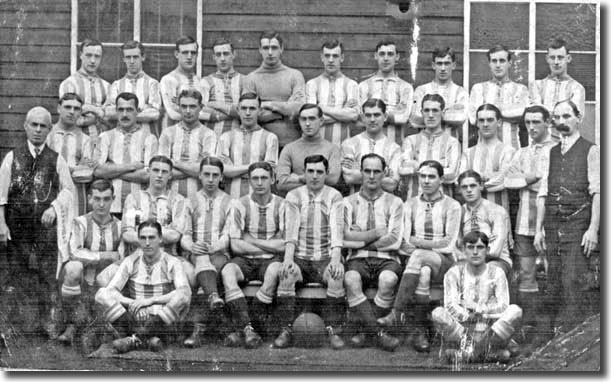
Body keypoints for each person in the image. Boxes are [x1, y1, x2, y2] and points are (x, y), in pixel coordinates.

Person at [0, 106, 75, 338]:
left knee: (46, 277)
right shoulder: (12, 157)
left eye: (43, 126)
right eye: (34, 124)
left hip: (45, 231)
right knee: (14, 276)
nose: (38, 130)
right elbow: (1, 195)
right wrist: (1, 224)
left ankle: (48, 325)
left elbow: (69, 190)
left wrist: (54, 207)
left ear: (50, 129)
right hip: (17, 229)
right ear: (25, 126)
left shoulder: (56, 159)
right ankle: (11, 327)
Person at [377, 160, 461, 353]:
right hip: (417, 266)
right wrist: (421, 245)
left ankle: (396, 312)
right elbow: (404, 242)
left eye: (431, 176)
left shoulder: (453, 206)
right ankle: (419, 330)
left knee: (419, 256)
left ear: (441, 179)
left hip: (444, 264)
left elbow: (448, 244)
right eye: (422, 176)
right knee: (422, 271)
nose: (426, 180)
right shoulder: (410, 204)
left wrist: (419, 243)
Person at [534, 100, 599, 335]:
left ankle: (572, 341)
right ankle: (548, 341)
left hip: (578, 225)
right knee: (553, 282)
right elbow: (542, 192)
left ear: (578, 117)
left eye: (567, 116)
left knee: (573, 282)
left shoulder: (591, 150)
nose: (562, 122)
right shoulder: (549, 152)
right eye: (558, 118)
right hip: (552, 224)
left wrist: (593, 229)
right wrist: (538, 229)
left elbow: (598, 192)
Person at [273, 155, 346, 350]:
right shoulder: (294, 195)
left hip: (324, 257)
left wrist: (336, 259)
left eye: (319, 172)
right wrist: (288, 259)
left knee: (336, 276)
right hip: (301, 257)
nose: (314, 176)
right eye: (310, 171)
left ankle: (333, 329)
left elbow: (337, 230)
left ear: (326, 173)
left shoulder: (334, 196)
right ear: (304, 173)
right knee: (287, 273)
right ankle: (286, 329)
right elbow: (291, 230)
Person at [95, 221, 191, 353]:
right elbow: (112, 290)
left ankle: (135, 339)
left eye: (152, 238)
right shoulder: (131, 261)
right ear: (138, 240)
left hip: (162, 319)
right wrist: (135, 303)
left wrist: (150, 301)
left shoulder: (172, 262)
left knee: (183, 295)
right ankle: (146, 339)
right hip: (135, 318)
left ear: (160, 239)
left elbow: (184, 292)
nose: (147, 243)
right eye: (143, 238)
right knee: (102, 293)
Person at [504, 105, 556, 343]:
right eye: (528, 122)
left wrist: (525, 181)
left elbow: (554, 183)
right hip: (525, 222)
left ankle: (554, 327)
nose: (532, 127)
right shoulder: (522, 153)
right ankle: (530, 325)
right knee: (526, 272)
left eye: (537, 122)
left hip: (553, 222)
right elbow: (509, 180)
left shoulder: (558, 149)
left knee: (555, 272)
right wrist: (532, 179)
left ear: (548, 123)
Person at [343, 153, 404, 351]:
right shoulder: (347, 203)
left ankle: (365, 331)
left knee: (388, 280)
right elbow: (342, 238)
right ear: (360, 172)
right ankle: (377, 334)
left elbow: (394, 240)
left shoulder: (395, 203)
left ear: (384, 173)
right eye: (367, 171)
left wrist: (359, 239)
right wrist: (374, 235)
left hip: (387, 258)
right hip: (357, 259)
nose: (371, 176)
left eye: (376, 171)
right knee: (351, 279)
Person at [221, 162, 285, 349]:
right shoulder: (240, 204)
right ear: (249, 181)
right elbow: (236, 245)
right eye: (255, 178)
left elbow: (284, 245)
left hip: (271, 261)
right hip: (246, 260)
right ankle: (248, 328)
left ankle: (247, 328)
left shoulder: (282, 204)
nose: (259, 182)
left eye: (264, 178)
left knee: (274, 271)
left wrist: (252, 241)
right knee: (227, 272)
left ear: (272, 179)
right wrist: (268, 247)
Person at [432, 231, 522, 363]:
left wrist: (481, 310)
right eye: (470, 247)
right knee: (438, 313)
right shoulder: (454, 273)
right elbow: (450, 306)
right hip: (463, 329)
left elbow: (503, 305)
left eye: (480, 247)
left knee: (515, 310)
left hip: (490, 327)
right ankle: (487, 353)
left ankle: (472, 354)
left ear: (487, 250)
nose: (475, 252)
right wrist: (468, 316)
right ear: (463, 250)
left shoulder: (497, 272)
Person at [58, 179, 123, 345]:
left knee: (118, 270)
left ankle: (107, 325)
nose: (101, 204)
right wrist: (104, 255)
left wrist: (110, 260)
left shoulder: (120, 226)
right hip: (83, 282)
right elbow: (74, 253)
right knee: (73, 267)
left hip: (106, 285)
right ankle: (71, 324)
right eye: (97, 199)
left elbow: (121, 258)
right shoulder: (80, 223)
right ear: (90, 199)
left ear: (113, 199)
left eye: (106, 199)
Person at [181, 156, 235, 348]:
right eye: (207, 175)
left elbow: (228, 235)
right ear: (199, 175)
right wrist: (192, 246)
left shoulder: (230, 202)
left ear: (221, 177)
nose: (211, 179)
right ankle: (224, 323)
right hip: (195, 254)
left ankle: (199, 331)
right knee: (203, 263)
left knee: (206, 275)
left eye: (215, 175)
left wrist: (214, 247)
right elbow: (185, 235)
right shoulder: (190, 201)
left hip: (219, 253)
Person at [94, 92, 158, 217]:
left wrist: (112, 171)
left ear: (137, 111)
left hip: (140, 206)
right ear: (116, 111)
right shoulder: (105, 137)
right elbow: (98, 171)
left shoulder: (149, 138)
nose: (124, 114)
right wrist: (132, 166)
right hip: (111, 206)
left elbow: (148, 175)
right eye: (121, 110)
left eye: (129, 110)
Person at [242, 30, 305, 149]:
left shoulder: (295, 75)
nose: (270, 52)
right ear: (260, 50)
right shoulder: (251, 78)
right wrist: (284, 111)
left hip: (291, 142)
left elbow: (299, 107)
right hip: (261, 144)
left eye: (274, 48)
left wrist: (267, 104)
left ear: (282, 49)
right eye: (266, 48)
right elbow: (250, 113)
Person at [121, 156, 190, 260]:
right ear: (148, 171)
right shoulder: (133, 198)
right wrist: (163, 232)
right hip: (136, 256)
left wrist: (141, 232)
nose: (159, 175)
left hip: (169, 257)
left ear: (170, 175)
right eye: (156, 170)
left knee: (189, 272)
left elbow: (175, 235)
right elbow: (127, 233)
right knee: (106, 275)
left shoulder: (178, 200)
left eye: (164, 172)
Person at [216, 93, 279, 198]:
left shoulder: (270, 137)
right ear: (238, 110)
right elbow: (224, 170)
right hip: (232, 196)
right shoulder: (226, 137)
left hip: (259, 198)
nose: (248, 113)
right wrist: (255, 166)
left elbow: (268, 171)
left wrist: (236, 170)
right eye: (244, 108)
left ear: (259, 111)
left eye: (252, 108)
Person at [398, 93, 461, 199]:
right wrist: (440, 168)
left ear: (443, 113)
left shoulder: (452, 142)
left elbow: (451, 175)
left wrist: (416, 166)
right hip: (414, 201)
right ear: (422, 112)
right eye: (427, 110)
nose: (430, 115)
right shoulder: (410, 140)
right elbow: (402, 169)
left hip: (444, 204)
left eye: (435, 110)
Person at [158, 89, 217, 199]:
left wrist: (174, 163)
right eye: (184, 106)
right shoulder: (167, 133)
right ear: (179, 108)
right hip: (169, 196)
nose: (188, 111)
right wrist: (194, 169)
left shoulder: (209, 134)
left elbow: (207, 170)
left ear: (201, 107)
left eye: (192, 106)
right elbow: (163, 170)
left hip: (199, 197)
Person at [469, 45, 529, 150]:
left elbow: (522, 114)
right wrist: (509, 112)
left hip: (512, 148)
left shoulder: (521, 89)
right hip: (484, 149)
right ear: (489, 64)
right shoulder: (478, 88)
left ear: (509, 63)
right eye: (494, 61)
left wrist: (492, 111)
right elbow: (474, 119)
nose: (498, 65)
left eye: (502, 61)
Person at [459, 104, 515, 212]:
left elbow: (503, 181)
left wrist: (475, 182)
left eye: (490, 120)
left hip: (499, 210)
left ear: (499, 123)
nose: (485, 124)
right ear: (477, 123)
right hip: (472, 212)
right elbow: (461, 181)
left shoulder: (508, 151)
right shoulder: (468, 153)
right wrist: (489, 177)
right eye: (481, 120)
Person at [456, 170, 512, 277]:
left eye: (472, 186)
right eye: (464, 187)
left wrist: (469, 252)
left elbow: (495, 251)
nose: (468, 190)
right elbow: (456, 246)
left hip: (496, 260)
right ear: (459, 190)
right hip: (468, 259)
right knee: (456, 272)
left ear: (481, 186)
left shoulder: (496, 211)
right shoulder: (459, 212)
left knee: (487, 273)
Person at [47, 92, 95, 215]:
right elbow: (42, 168)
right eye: (67, 107)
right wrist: (75, 169)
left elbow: (86, 175)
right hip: (48, 197)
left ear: (80, 112)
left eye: (76, 109)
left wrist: (56, 168)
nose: (72, 112)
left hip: (76, 200)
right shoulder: (47, 134)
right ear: (59, 108)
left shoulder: (85, 140)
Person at [276, 103, 341, 194]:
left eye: (312, 119)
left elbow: (333, 179)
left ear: (321, 121)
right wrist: (320, 180)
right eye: (303, 119)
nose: (307, 123)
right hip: (297, 202)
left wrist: (299, 178)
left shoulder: (332, 149)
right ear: (299, 121)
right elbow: (281, 183)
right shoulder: (289, 148)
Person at [358, 40, 414, 145]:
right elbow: (361, 118)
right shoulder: (364, 86)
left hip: (396, 144)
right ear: (376, 56)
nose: (386, 58)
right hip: (368, 146)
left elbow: (403, 118)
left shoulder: (406, 87)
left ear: (397, 57)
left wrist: (374, 115)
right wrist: (393, 112)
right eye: (382, 54)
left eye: (390, 54)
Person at [529, 38, 586, 142]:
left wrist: (547, 115)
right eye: (552, 57)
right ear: (547, 59)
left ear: (568, 58)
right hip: (541, 143)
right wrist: (561, 115)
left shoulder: (577, 88)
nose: (556, 62)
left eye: (560, 57)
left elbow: (574, 119)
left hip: (566, 143)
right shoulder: (537, 85)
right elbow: (537, 116)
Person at [305, 39, 359, 145]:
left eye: (335, 56)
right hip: (317, 145)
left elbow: (353, 115)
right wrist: (343, 111)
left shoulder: (351, 84)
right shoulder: (312, 84)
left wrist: (321, 108)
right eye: (327, 55)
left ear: (342, 58)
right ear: (322, 57)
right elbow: (311, 117)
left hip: (342, 145)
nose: (330, 60)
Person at [341, 98, 400, 194]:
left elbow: (392, 185)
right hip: (357, 203)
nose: (372, 119)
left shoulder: (394, 148)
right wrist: (383, 176)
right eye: (368, 115)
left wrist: (358, 170)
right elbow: (349, 177)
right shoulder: (349, 144)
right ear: (363, 117)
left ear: (385, 116)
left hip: (385, 205)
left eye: (376, 115)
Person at [59, 38, 110, 147]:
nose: (92, 60)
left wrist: (86, 110)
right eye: (88, 55)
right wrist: (96, 110)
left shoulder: (106, 86)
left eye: (97, 56)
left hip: (101, 142)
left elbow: (108, 117)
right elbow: (71, 118)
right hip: (74, 141)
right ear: (81, 55)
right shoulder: (69, 84)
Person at [104, 40, 161, 136]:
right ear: (123, 59)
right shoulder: (116, 85)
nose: (131, 61)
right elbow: (109, 112)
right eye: (128, 57)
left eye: (135, 57)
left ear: (142, 57)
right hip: (121, 137)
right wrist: (143, 109)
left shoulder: (152, 83)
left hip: (146, 136)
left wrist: (123, 113)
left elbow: (155, 114)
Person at [411, 47, 468, 139]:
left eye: (447, 63)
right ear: (433, 65)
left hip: (450, 145)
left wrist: (428, 115)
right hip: (424, 143)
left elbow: (460, 118)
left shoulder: (460, 92)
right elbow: (415, 120)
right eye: (439, 63)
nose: (443, 68)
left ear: (453, 65)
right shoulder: (422, 90)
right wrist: (448, 111)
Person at [159, 35, 206, 131]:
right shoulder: (169, 79)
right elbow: (172, 113)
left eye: (193, 53)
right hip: (173, 132)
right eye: (185, 52)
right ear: (176, 54)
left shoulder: (200, 81)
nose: (189, 57)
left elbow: (204, 108)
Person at [202, 38, 245, 138]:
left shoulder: (244, 81)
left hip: (237, 138)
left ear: (233, 54)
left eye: (226, 54)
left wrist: (214, 105)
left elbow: (245, 111)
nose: (222, 58)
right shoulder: (206, 82)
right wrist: (233, 111)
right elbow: (201, 111)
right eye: (218, 54)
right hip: (212, 138)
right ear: (214, 57)